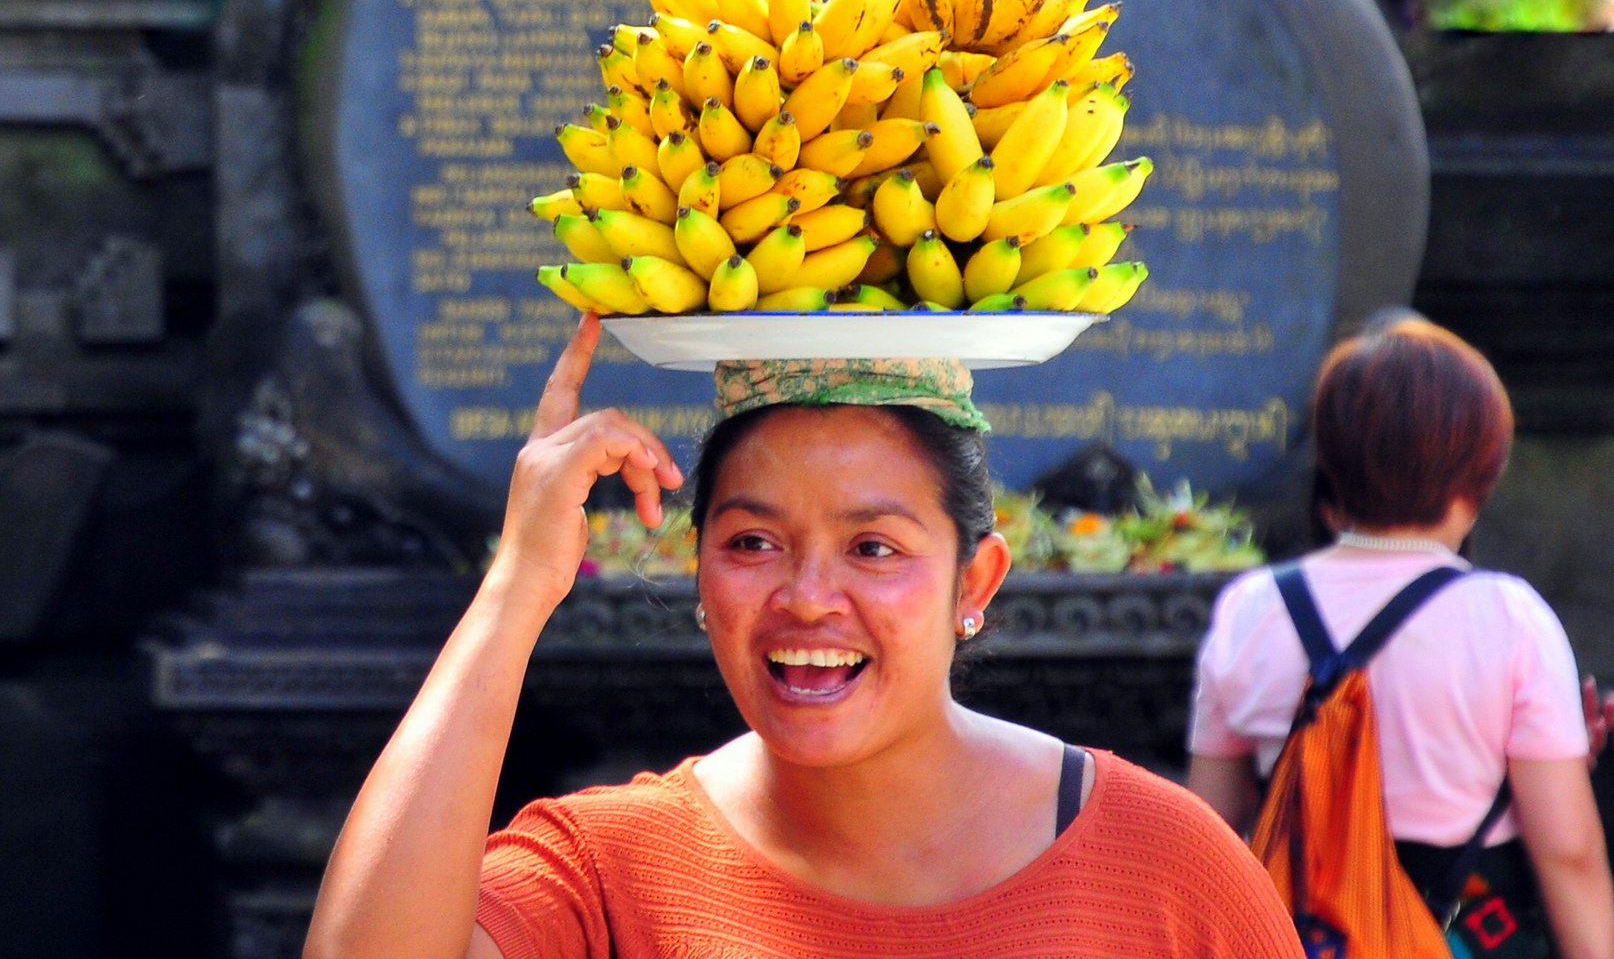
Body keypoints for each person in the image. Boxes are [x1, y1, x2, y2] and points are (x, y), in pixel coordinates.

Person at [305, 314, 1304, 959]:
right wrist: (518, 587)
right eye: (752, 541)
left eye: (873, 546)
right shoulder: (609, 873)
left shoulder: (1168, 871)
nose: (808, 596)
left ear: (977, 580)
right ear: (699, 575)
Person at [1186, 314, 1614, 959]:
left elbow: (1208, 830)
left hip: (1301, 934)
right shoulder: (1509, 617)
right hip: (1463, 930)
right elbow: (1570, 854)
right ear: (1485, 467)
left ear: (1331, 463)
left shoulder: (1252, 608)